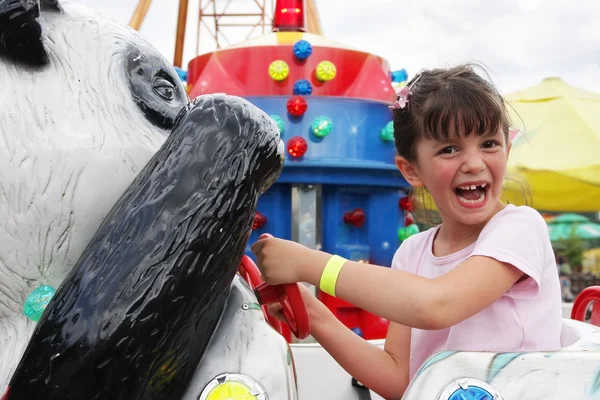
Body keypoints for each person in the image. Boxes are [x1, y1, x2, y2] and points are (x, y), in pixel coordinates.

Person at [250, 64, 563, 399]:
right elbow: (400, 379)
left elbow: (436, 305)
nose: (474, 162)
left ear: (507, 148)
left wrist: (312, 264)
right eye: (449, 149)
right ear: (411, 170)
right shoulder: (412, 253)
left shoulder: (519, 228)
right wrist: (315, 315)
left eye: (489, 143)